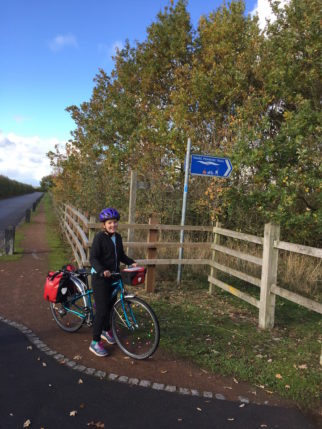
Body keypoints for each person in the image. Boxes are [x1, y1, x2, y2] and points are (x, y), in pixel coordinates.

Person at [89, 207, 137, 357]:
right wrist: (102, 270)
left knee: (110, 307)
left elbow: (120, 255)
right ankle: (95, 342)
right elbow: (93, 258)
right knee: (102, 310)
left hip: (114, 276)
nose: (113, 225)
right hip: (100, 278)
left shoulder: (118, 237)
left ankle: (105, 330)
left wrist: (131, 262)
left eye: (115, 222)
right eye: (109, 223)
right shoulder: (99, 238)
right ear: (104, 224)